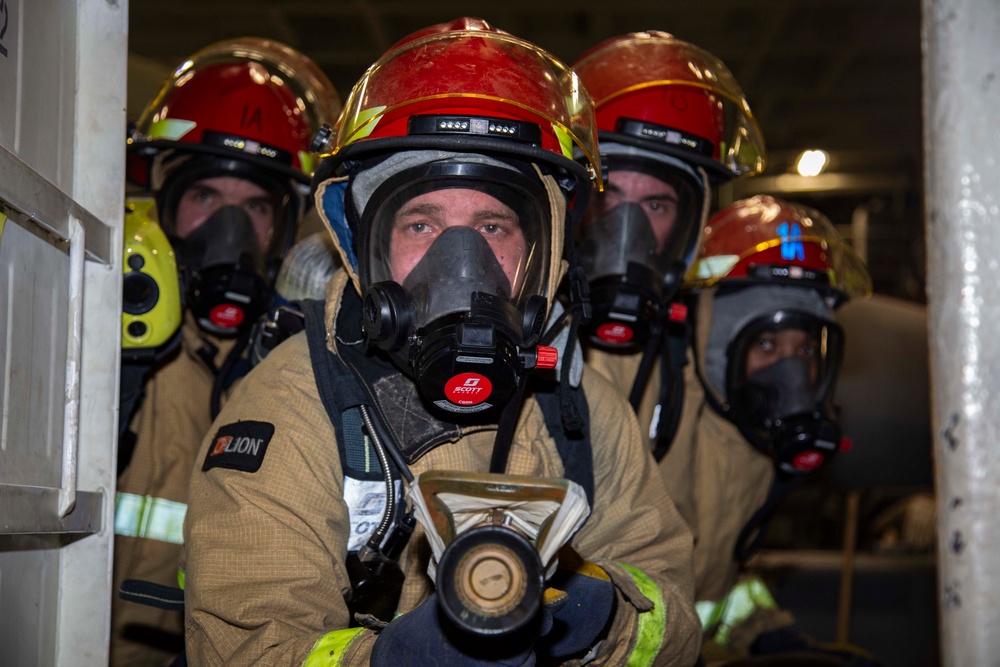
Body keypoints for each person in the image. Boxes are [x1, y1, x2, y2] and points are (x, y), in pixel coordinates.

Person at [183, 18, 701, 666]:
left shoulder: (583, 412)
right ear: (365, 246)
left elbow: (676, 621)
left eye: (493, 225)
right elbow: (243, 646)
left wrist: (610, 621)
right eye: (422, 223)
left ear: (542, 253)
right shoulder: (296, 401)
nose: (462, 265)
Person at [112, 38, 340, 666]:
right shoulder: (98, 340)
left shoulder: (298, 371)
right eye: (207, 198)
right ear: (163, 203)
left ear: (286, 228)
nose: (230, 235)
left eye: (255, 208)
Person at [672, 195, 875, 663]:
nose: (790, 376)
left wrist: (765, 634)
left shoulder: (753, 447)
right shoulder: (653, 424)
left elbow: (719, 579)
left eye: (805, 350)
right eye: (765, 341)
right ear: (714, 343)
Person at [570, 31, 767, 459]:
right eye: (607, 196)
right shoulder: (514, 339)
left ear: (687, 226)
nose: (627, 230)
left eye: (655, 205)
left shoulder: (693, 361)